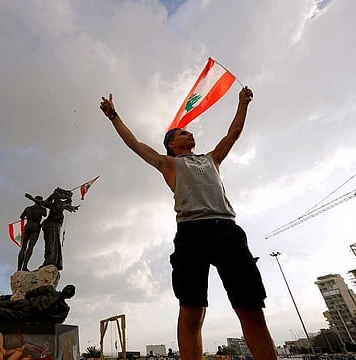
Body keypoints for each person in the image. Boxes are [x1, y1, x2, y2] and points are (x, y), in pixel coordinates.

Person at [99, 88, 277, 360]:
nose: (189, 133)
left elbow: (233, 134)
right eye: (182, 133)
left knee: (250, 308)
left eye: (189, 132)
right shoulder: (167, 163)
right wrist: (114, 116)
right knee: (192, 310)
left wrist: (243, 103)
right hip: (191, 233)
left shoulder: (212, 159)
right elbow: (134, 143)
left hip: (227, 230)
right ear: (172, 144)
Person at [41, 188, 79, 270]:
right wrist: (67, 196)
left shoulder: (57, 204)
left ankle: (50, 260)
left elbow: (45, 203)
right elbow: (68, 202)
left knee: (51, 242)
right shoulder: (61, 204)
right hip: (54, 224)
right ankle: (54, 261)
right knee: (53, 242)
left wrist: (54, 195)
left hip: (52, 224)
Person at [17, 194, 48, 271]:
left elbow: (21, 217)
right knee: (30, 247)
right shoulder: (43, 209)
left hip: (27, 227)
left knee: (23, 248)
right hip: (35, 227)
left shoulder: (28, 208)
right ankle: (24, 266)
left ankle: (18, 268)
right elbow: (45, 215)